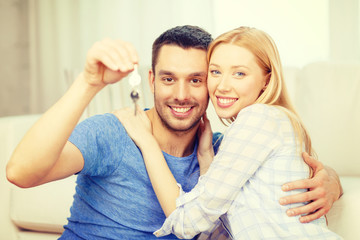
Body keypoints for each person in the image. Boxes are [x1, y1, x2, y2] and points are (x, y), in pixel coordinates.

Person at [6, 25, 342, 239]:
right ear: (152, 80)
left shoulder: (223, 150)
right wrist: (89, 82)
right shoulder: (113, 131)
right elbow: (21, 173)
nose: (181, 94)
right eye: (168, 79)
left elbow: (285, 170)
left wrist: (331, 181)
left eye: (196, 79)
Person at [116, 26, 343, 239]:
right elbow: (216, 227)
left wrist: (147, 143)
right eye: (215, 72)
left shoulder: (257, 119)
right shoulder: (272, 122)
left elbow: (187, 223)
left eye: (239, 74)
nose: (222, 86)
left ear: (267, 79)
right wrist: (206, 157)